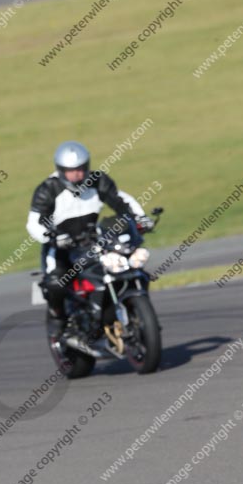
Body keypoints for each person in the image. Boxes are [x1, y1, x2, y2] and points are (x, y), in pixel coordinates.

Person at [26, 141, 153, 340]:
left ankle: (126, 311)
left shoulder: (97, 180)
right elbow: (34, 223)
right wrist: (52, 236)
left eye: (81, 169)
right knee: (56, 282)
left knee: (128, 267)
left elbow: (121, 201)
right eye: (71, 171)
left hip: (94, 242)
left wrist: (140, 219)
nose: (77, 174)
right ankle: (57, 320)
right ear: (61, 170)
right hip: (60, 247)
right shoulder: (48, 189)